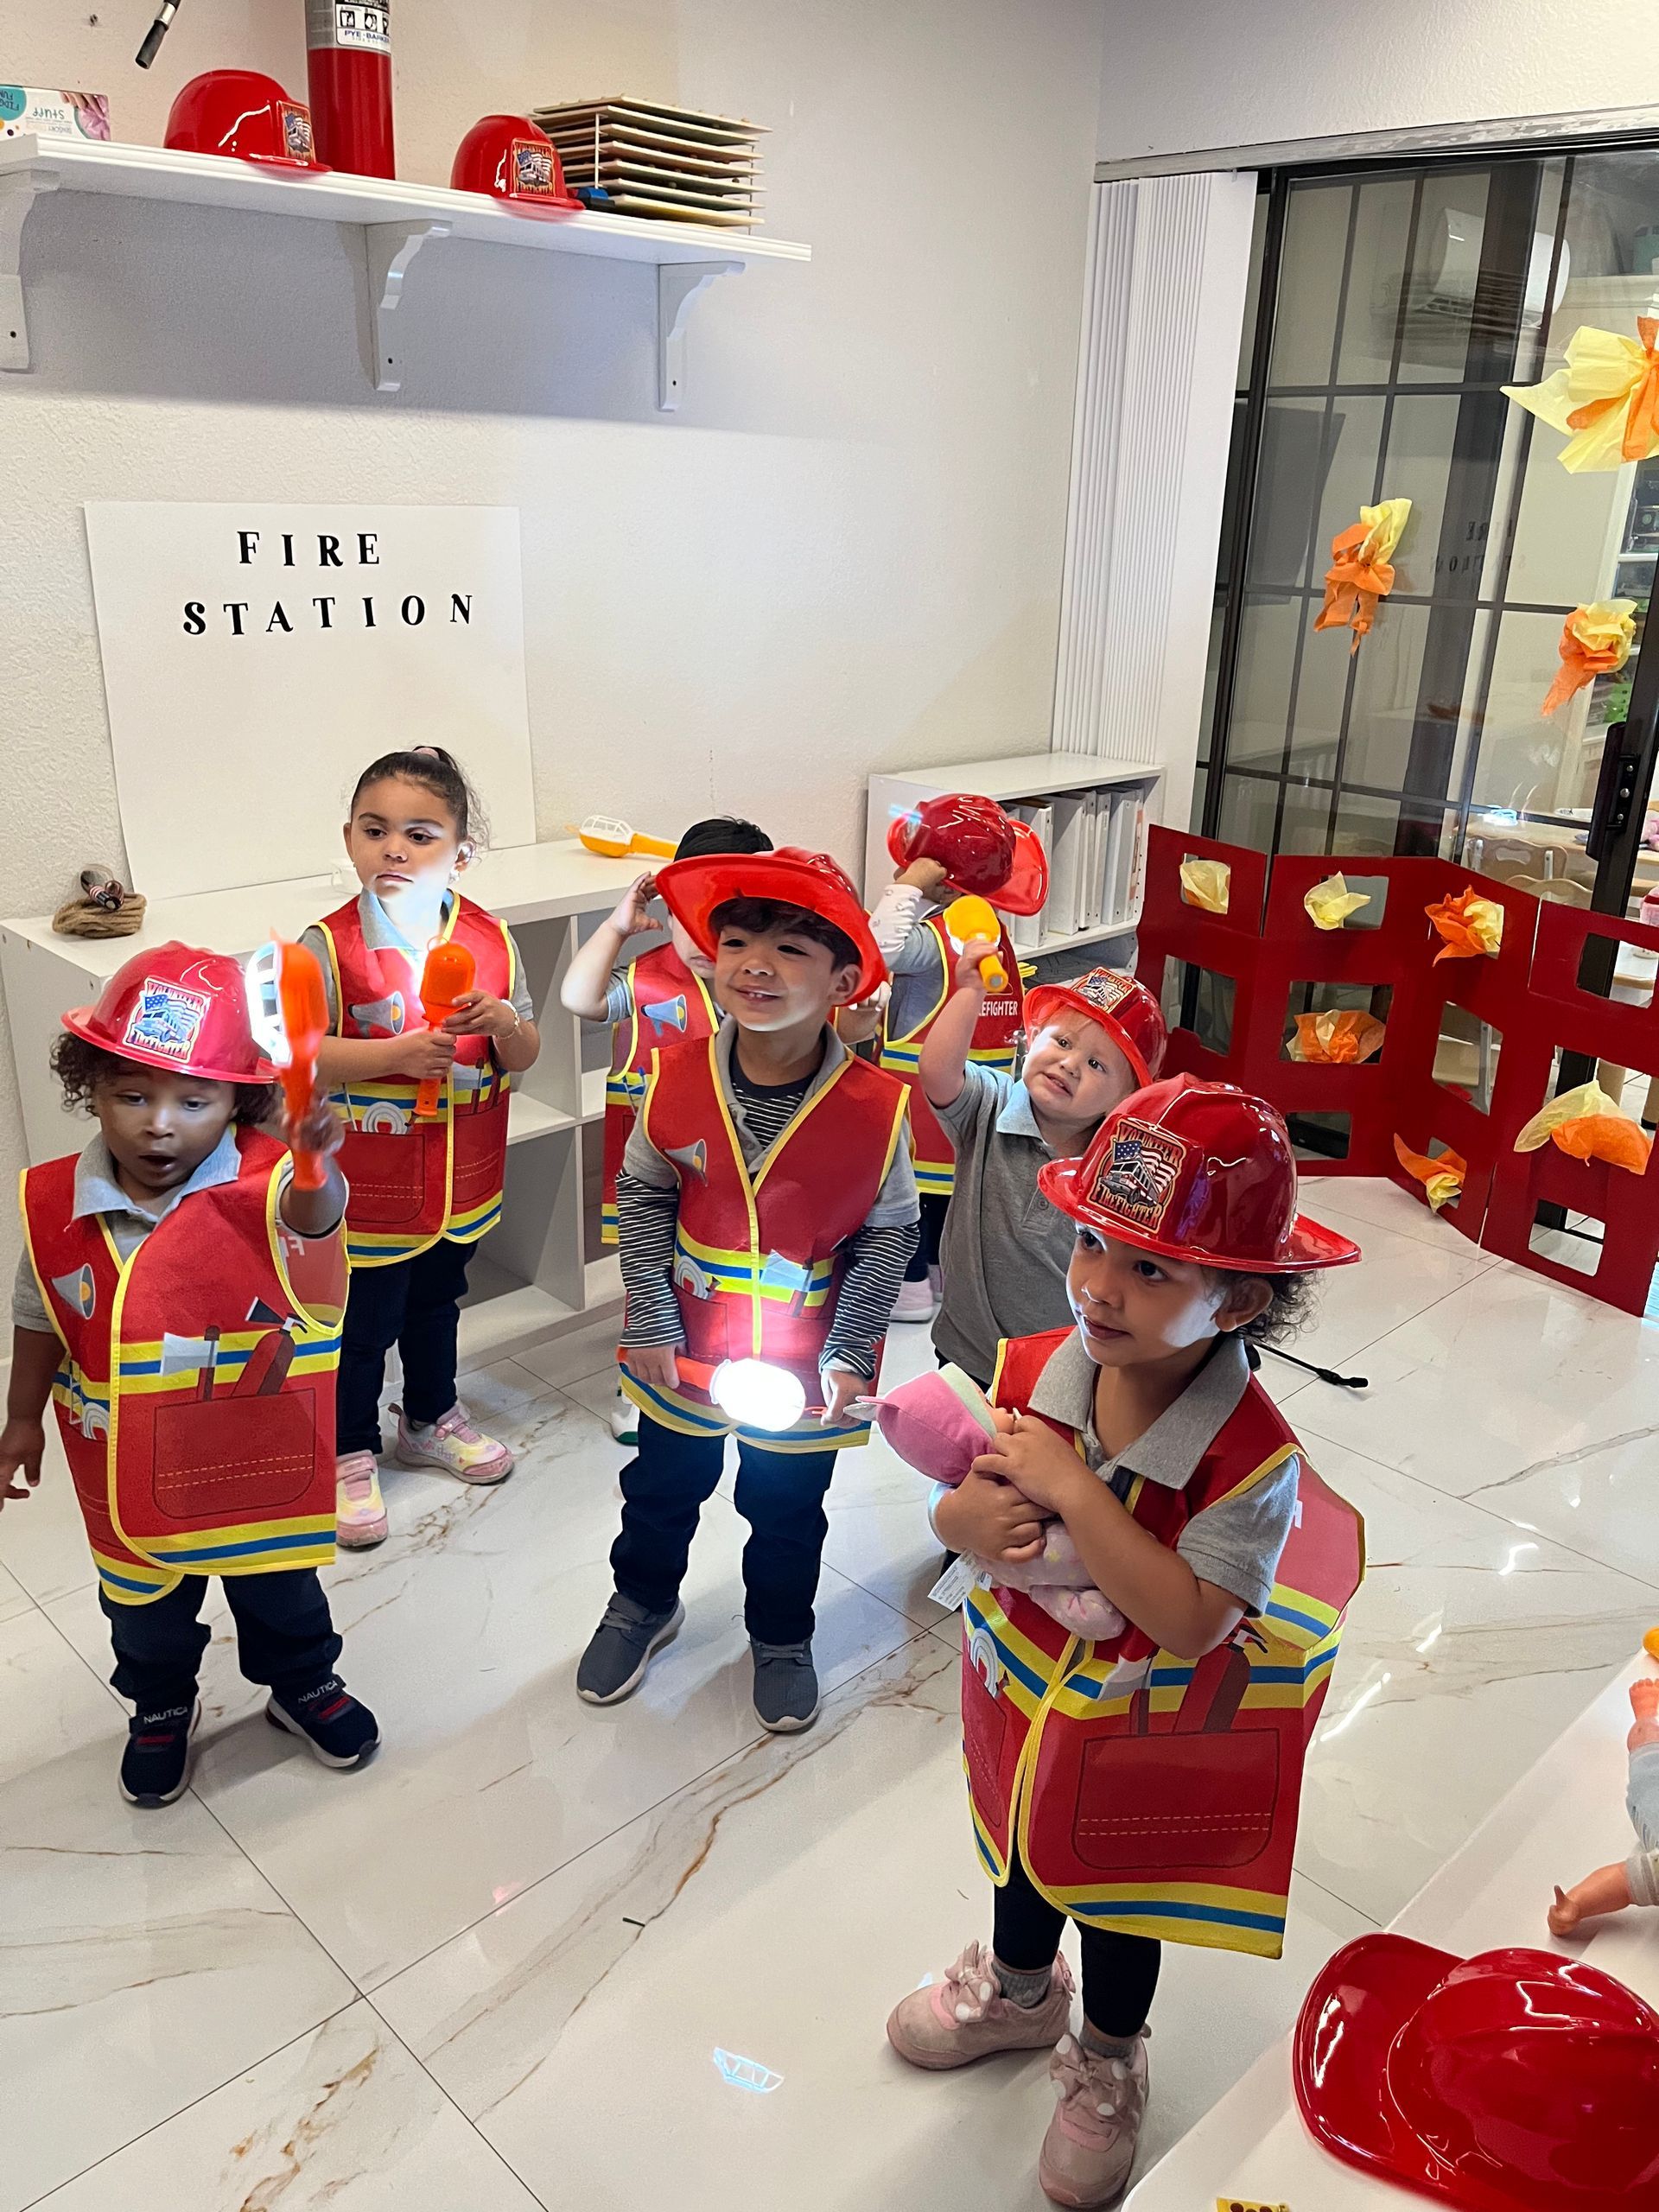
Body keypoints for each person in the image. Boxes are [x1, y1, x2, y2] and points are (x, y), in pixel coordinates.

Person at [886, 1075, 1363, 2208]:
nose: (1101, 1286)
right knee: (1015, 1855)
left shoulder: (1248, 1460)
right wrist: (961, 1518)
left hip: (1139, 1741)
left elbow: (1195, 1619)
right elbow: (964, 1500)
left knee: (1113, 1898)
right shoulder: (1033, 1364)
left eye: (1152, 1270)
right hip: (1018, 1700)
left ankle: (1105, 2052)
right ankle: (1016, 1989)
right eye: (1096, 1241)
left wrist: (1076, 1495)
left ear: (1240, 1305)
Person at [0, 943, 378, 1808]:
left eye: (193, 1099)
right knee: (142, 1611)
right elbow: (39, 1314)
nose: (158, 1123)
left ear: (238, 1103)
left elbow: (313, 1225)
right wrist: (22, 1418)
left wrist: (315, 1163)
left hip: (249, 1457)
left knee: (282, 1590)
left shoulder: (268, 1184)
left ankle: (303, 1685)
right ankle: (162, 1705)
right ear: (89, 1087)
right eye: (129, 1095)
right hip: (126, 1473)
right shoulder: (57, 1205)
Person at [577, 848, 918, 1733]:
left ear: (845, 980)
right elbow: (645, 1190)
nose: (756, 964)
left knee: (787, 1508)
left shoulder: (880, 1107)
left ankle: (780, 1634)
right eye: (736, 941)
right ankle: (643, 1604)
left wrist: (849, 1350)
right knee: (660, 1486)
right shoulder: (676, 1072)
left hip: (807, 1366)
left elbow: (891, 1232)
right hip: (680, 1344)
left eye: (792, 950)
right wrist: (649, 1311)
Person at [302, 747, 542, 1548]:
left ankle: (431, 1416)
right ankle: (348, 1450)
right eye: (376, 831)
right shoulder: (325, 946)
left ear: (461, 852)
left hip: (459, 1182)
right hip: (366, 1188)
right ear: (349, 839)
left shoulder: (490, 939)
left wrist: (505, 1021)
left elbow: (526, 1054)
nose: (395, 849)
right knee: (361, 1323)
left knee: (438, 1303)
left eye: (420, 834)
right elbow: (288, 1053)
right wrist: (390, 1057)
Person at [560, 814, 772, 1446]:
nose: (710, 940)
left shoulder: (768, 987)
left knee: (731, 1280)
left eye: (733, 924)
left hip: (744, 1178)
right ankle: (641, 1382)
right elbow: (579, 999)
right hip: (659, 1177)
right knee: (651, 1274)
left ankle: (732, 1371)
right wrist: (618, 925)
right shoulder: (649, 978)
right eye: (691, 915)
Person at [921, 959, 1167, 1390]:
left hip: (1065, 1363)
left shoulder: (1125, 1164)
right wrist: (969, 993)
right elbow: (938, 1072)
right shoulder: (989, 1105)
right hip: (967, 1350)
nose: (1070, 1064)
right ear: (1031, 1040)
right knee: (963, 1453)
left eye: (1097, 1065)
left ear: (1126, 1098)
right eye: (1062, 1041)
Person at [870, 842, 1025, 1324]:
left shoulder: (936, 939)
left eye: (911, 865)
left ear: (942, 878)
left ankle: (908, 1286)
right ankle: (935, 1277)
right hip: (972, 1113)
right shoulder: (995, 937)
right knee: (942, 1199)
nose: (900, 872)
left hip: (920, 1108)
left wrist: (908, 888)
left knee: (904, 1202)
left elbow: (879, 949)